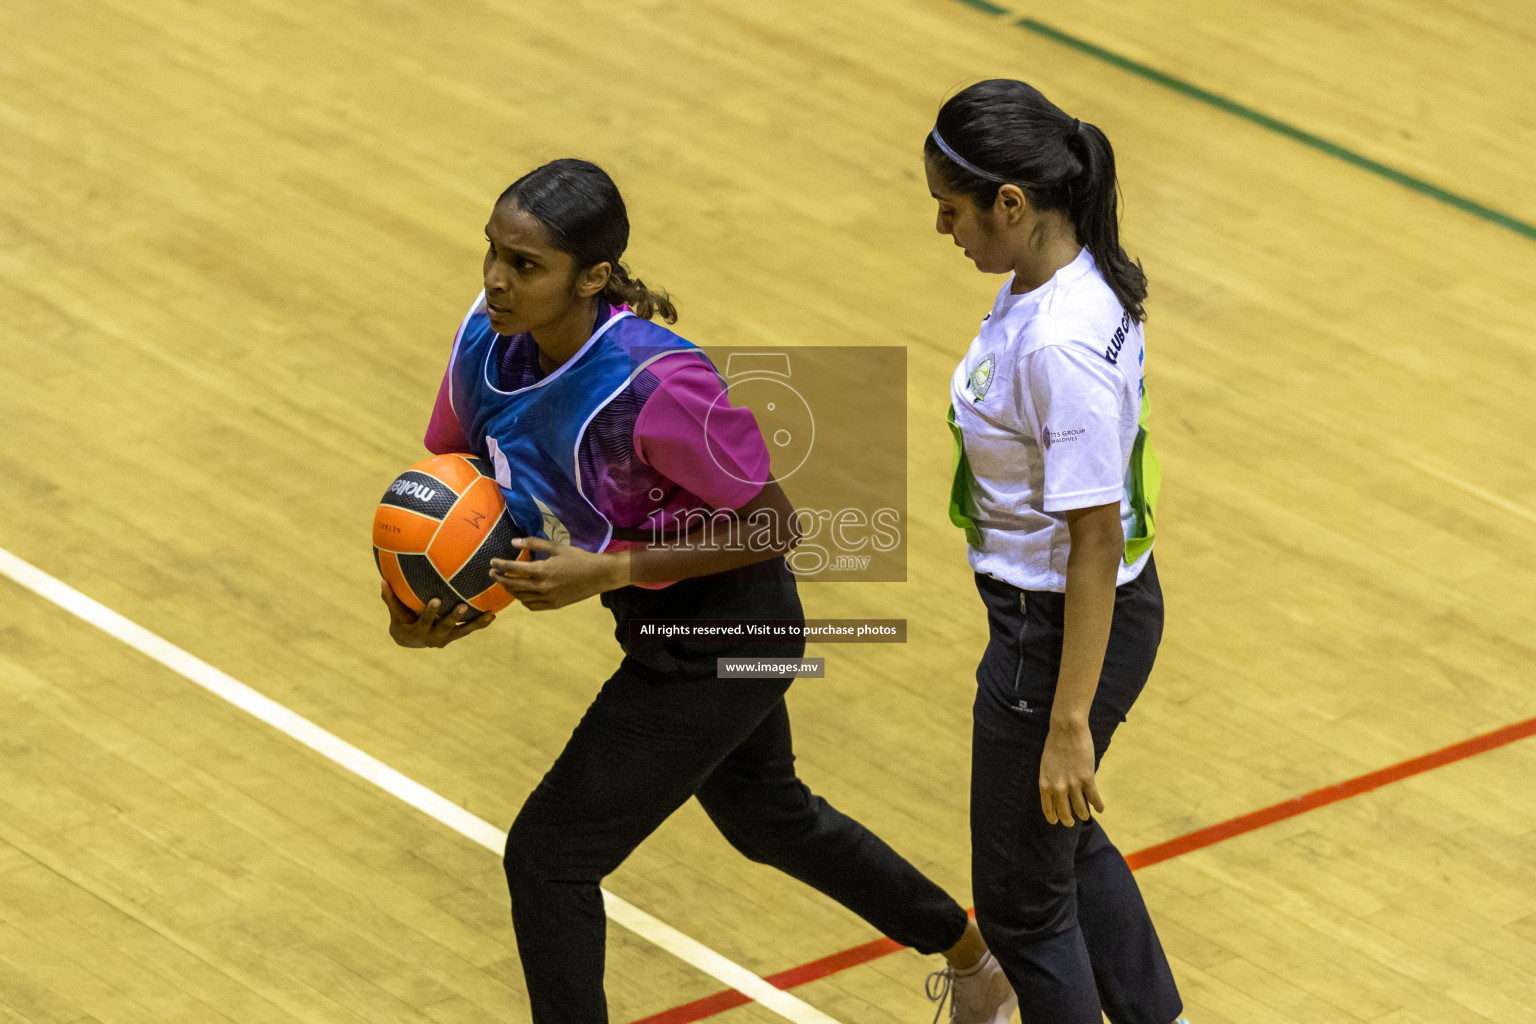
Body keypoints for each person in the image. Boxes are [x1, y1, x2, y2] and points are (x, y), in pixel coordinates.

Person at [379, 158, 1016, 1024]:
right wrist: (429, 608)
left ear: (593, 278)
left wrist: (608, 571)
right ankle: (973, 959)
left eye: (524, 265)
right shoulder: (484, 345)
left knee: (548, 858)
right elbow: (465, 492)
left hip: (730, 630)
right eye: (491, 252)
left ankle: (975, 959)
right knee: (767, 816)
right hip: (653, 616)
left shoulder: (656, 383)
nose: (496, 278)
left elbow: (775, 525)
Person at [926, 80, 1189, 1024]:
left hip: (1057, 633)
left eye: (950, 210)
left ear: (1011, 204)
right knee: (1063, 843)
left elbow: (1094, 533)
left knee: (1021, 909)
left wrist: (1067, 720)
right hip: (1076, 617)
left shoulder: (1060, 347)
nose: (943, 228)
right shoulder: (1064, 279)